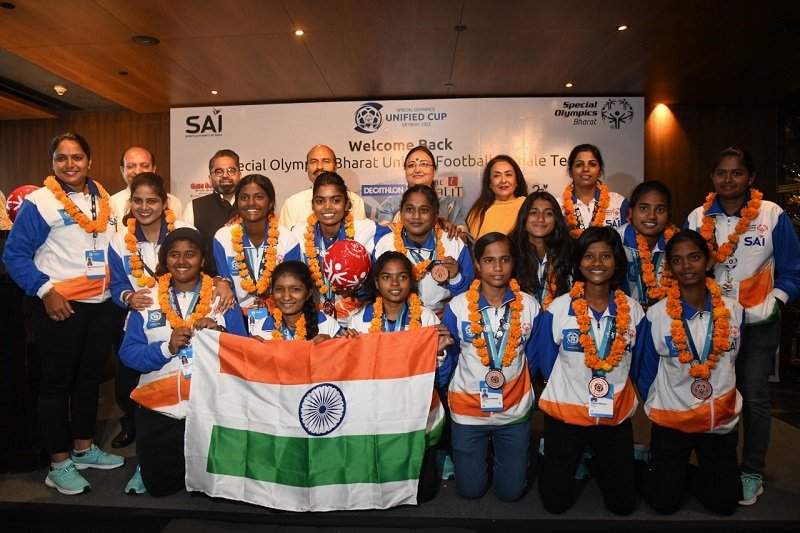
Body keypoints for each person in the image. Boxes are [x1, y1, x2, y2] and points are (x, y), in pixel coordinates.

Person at [3, 132, 124, 495]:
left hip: (102, 306)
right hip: (61, 306)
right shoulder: (40, 202)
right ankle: (58, 464)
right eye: (61, 158)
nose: (70, 165)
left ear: (89, 160)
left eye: (77, 157)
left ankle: (83, 448)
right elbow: (14, 255)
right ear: (52, 163)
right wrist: (45, 291)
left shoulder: (103, 199)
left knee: (88, 380)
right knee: (56, 385)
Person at [685, 146, 800, 505]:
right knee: (711, 392)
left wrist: (777, 301)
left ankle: (752, 470)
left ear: (751, 177)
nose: (728, 179)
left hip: (758, 322)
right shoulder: (697, 217)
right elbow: (685, 267)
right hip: (713, 323)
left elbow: (793, 267)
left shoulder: (771, 213)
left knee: (753, 395)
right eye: (721, 172)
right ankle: (715, 465)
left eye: (737, 173)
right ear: (712, 177)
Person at [108, 172, 236, 450]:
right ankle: (139, 437)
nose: (144, 207)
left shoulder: (182, 229)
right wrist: (130, 297)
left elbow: (204, 264)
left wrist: (222, 287)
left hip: (209, 397)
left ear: (164, 202)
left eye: (152, 201)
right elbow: (116, 282)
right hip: (146, 315)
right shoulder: (120, 239)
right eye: (138, 201)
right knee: (132, 385)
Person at [119, 227, 246, 496]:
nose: (182, 261)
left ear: (202, 259)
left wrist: (219, 334)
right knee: (160, 488)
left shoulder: (223, 298)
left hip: (209, 409)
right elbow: (128, 354)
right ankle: (147, 462)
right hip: (159, 409)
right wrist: (166, 349)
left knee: (214, 489)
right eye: (174, 254)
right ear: (165, 260)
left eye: (190, 254)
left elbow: (244, 353)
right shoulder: (148, 299)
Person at [532, 226, 645, 515]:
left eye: (605, 256)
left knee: (623, 506)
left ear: (616, 261)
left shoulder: (633, 310)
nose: (597, 263)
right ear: (579, 262)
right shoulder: (558, 309)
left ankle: (598, 461)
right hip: (566, 416)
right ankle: (553, 454)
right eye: (589, 256)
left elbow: (637, 364)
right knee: (555, 504)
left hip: (613, 417)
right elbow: (547, 362)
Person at [636, 229, 744, 515]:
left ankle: (678, 473)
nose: (686, 266)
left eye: (694, 257)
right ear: (670, 267)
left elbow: (735, 362)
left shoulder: (734, 311)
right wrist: (656, 403)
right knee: (664, 504)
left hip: (717, 421)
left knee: (725, 504)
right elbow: (645, 371)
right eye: (677, 260)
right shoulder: (657, 315)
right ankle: (654, 468)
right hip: (673, 421)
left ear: (708, 261)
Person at [438, 232, 540, 502]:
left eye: (504, 260)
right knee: (470, 491)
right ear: (477, 264)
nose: (497, 268)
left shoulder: (530, 306)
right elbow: (452, 356)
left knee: (511, 494)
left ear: (513, 262)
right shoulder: (458, 307)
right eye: (489, 260)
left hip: (513, 409)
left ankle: (511, 459)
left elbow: (533, 358)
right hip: (468, 410)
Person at [346, 251, 454, 501]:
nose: (394, 283)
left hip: (416, 409)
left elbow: (441, 378)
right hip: (375, 410)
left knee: (423, 493)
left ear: (411, 281)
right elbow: (351, 373)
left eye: (402, 277)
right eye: (387, 277)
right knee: (372, 487)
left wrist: (439, 354)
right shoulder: (359, 321)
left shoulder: (426, 318)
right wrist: (346, 345)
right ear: (376, 282)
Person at [290, 171, 389, 325]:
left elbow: (399, 240)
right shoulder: (298, 234)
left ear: (347, 204)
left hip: (358, 321)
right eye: (320, 201)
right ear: (312, 205)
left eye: (336, 200)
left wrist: (357, 289)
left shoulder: (368, 230)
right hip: (316, 321)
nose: (327, 207)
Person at [213, 174, 300, 333]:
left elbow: (291, 290)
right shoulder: (223, 237)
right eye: (244, 197)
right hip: (234, 320)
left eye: (259, 197)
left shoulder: (287, 239)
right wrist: (241, 339)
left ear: (270, 202)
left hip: (277, 319)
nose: (251, 203)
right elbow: (226, 288)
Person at [374, 184, 473, 313]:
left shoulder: (453, 243)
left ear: (435, 215)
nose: (416, 216)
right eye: (409, 209)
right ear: (401, 213)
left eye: (424, 210)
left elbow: (470, 294)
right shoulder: (385, 244)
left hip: (442, 320)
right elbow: (374, 291)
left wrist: (455, 278)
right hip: (400, 319)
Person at [376, 145, 467, 231]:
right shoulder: (391, 205)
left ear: (434, 171)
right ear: (405, 171)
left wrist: (451, 232)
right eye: (411, 165)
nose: (417, 170)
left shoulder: (449, 205)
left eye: (424, 164)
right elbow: (380, 236)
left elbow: (464, 238)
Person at [618, 180, 678, 310]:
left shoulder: (677, 244)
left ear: (668, 215)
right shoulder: (615, 241)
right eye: (644, 208)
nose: (652, 216)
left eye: (660, 210)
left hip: (666, 315)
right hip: (623, 315)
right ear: (630, 212)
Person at [509, 191, 572, 310]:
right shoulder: (510, 252)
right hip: (519, 318)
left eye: (548, 214)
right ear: (524, 217)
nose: (541, 219)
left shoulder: (569, 252)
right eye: (533, 213)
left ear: (556, 219)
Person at [250, 260, 341, 342]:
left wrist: (333, 344)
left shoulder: (328, 325)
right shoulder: (260, 329)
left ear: (308, 293)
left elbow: (344, 352)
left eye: (295, 290)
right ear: (272, 292)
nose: (286, 297)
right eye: (279, 289)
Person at [278, 144, 367, 228]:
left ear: (335, 166)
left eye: (326, 161)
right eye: (314, 162)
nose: (319, 167)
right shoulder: (292, 203)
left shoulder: (355, 201)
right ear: (307, 167)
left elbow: (359, 236)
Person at [182, 149, 242, 269]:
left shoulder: (252, 206)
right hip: (208, 278)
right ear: (210, 178)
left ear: (239, 175)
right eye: (219, 171)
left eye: (231, 170)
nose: (225, 175)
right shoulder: (194, 207)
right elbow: (186, 248)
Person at [558, 144, 629, 238]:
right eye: (579, 165)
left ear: (600, 172)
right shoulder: (558, 206)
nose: (585, 169)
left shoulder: (618, 202)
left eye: (592, 164)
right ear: (570, 172)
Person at [109, 146, 183, 222]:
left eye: (144, 166)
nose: (137, 171)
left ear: (154, 169)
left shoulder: (173, 202)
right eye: (130, 166)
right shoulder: (112, 202)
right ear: (122, 170)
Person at [466, 155, 528, 239]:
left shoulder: (528, 206)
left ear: (516, 181)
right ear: (490, 183)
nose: (503, 180)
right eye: (496, 175)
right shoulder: (478, 212)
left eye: (508, 174)